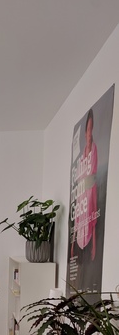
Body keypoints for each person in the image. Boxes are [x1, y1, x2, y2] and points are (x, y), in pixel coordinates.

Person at [71, 108, 98, 264]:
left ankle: (90, 246)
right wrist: (73, 245)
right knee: (80, 213)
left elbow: (92, 213)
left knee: (90, 213)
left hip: (90, 192)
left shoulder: (93, 151)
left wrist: (94, 245)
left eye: (90, 129)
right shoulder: (81, 160)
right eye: (87, 129)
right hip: (83, 194)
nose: (89, 133)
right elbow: (77, 217)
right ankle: (76, 246)